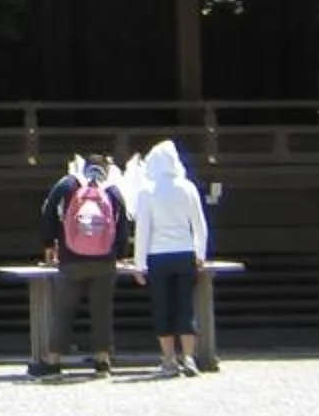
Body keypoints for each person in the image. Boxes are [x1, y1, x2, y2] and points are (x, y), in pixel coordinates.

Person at [35, 154, 124, 375]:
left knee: (64, 309)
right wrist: (119, 253)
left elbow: (48, 211)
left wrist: (49, 243)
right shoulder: (112, 190)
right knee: (102, 310)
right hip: (104, 261)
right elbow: (124, 224)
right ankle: (102, 359)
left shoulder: (68, 184)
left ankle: (53, 360)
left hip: (71, 258)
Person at [129, 137, 211, 376]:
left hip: (158, 255)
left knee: (162, 305)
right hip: (185, 253)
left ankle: (168, 359)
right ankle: (189, 357)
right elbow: (200, 225)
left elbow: (142, 229)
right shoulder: (187, 187)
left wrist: (139, 264)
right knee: (185, 306)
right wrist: (200, 253)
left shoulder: (147, 190)